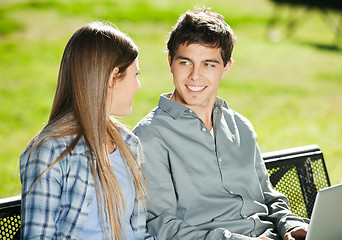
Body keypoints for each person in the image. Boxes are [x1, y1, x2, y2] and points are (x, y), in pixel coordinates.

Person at [133, 7, 308, 240]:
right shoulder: (149, 137)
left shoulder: (241, 127)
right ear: (170, 62)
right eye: (186, 62)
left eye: (209, 64)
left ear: (226, 68)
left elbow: (269, 198)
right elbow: (162, 226)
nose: (195, 75)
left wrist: (291, 224)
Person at [20, 21, 146, 240]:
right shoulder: (50, 152)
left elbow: (139, 232)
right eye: (135, 75)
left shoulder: (129, 144)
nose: (138, 85)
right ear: (112, 77)